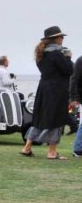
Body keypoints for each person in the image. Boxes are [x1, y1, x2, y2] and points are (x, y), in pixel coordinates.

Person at [20, 26, 74, 159]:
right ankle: (52, 152)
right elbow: (69, 70)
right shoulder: (57, 54)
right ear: (55, 39)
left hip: (43, 88)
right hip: (56, 90)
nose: (62, 38)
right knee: (56, 119)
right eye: (61, 36)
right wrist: (68, 58)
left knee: (40, 119)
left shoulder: (42, 53)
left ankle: (27, 148)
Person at [69, 48, 82, 157]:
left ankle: (78, 148)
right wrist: (74, 98)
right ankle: (78, 149)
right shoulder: (80, 61)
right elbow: (74, 79)